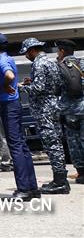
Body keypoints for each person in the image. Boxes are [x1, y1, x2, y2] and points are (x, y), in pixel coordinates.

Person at [0, 33, 39, 199]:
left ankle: (24, 189)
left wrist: (7, 84)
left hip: (9, 107)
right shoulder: (4, 58)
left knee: (15, 147)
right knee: (21, 145)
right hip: (14, 106)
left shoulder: (2, 61)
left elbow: (9, 75)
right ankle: (32, 187)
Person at [18, 37, 68, 194]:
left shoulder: (39, 63)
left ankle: (60, 182)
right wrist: (31, 82)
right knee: (56, 143)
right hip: (53, 106)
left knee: (51, 144)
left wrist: (21, 87)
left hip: (44, 109)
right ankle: (60, 179)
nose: (26, 56)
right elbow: (56, 84)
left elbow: (39, 88)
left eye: (26, 53)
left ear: (32, 50)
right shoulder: (50, 61)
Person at [55, 40, 84, 183]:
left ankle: (81, 173)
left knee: (74, 143)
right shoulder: (82, 63)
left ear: (61, 51)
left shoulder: (59, 67)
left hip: (69, 112)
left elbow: (56, 90)